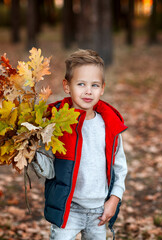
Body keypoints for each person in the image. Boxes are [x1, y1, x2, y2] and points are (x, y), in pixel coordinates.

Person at [32, 49, 128, 240]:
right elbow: (48, 170)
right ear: (67, 86)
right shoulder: (55, 124)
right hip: (68, 208)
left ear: (102, 88)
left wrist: (114, 199)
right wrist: (32, 151)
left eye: (94, 85)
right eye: (81, 84)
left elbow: (120, 167)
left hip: (99, 210)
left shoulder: (109, 125)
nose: (88, 91)